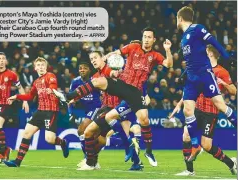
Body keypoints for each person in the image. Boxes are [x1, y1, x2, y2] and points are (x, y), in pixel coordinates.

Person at [54, 27, 173, 166]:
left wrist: (168, 49)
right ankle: (68, 96)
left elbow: (168, 64)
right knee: (98, 82)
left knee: (143, 120)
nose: (146, 39)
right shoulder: (133, 47)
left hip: (134, 93)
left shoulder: (155, 55)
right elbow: (117, 53)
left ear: (153, 40)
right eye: (144, 36)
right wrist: (107, 56)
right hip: (122, 85)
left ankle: (147, 152)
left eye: (149, 37)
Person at [176, 6, 237, 160]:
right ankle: (196, 145)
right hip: (191, 77)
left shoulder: (197, 28)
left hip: (204, 74)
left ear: (180, 19)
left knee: (221, 105)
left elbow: (212, 41)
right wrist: (183, 74)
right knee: (187, 110)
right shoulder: (183, 39)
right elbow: (193, 58)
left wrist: (226, 56)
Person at [170, 45, 237, 176]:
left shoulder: (222, 72)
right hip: (197, 109)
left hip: (211, 112)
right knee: (186, 135)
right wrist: (180, 103)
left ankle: (231, 163)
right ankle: (189, 170)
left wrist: (223, 83)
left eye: (205, 51)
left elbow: (234, 91)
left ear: (211, 54)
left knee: (206, 145)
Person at [71, 51, 142, 171]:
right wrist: (75, 98)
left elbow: (115, 75)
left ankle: (90, 162)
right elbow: (88, 89)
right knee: (97, 137)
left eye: (95, 58)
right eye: (91, 59)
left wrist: (117, 71)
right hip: (107, 108)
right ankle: (136, 162)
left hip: (117, 108)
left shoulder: (111, 69)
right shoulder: (95, 77)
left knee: (89, 133)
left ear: (102, 58)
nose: (93, 60)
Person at [4, 57, 69, 167]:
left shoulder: (50, 76)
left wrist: (51, 89)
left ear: (46, 66)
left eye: (43, 65)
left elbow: (53, 86)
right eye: (38, 65)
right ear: (35, 68)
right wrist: (16, 96)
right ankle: (17, 162)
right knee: (26, 133)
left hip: (51, 111)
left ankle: (63, 142)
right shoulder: (36, 82)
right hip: (40, 111)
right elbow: (30, 96)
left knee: (49, 139)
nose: (41, 67)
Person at [68, 61, 102, 167]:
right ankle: (92, 160)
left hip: (97, 108)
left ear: (90, 70)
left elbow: (103, 94)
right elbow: (70, 98)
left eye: (85, 68)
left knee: (81, 129)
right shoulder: (75, 82)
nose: (82, 70)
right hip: (87, 110)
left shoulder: (95, 81)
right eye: (80, 68)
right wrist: (70, 113)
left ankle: (88, 159)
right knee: (97, 138)